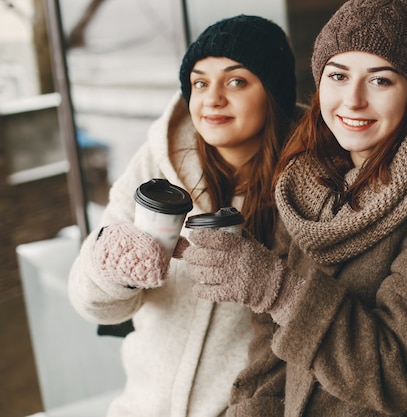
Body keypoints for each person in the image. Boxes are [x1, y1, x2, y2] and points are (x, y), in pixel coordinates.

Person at [180, 0, 407, 415]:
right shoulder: (303, 187)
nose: (353, 100)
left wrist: (278, 289)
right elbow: (271, 357)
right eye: (338, 75)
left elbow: (397, 373)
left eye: (380, 80)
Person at [67, 15, 296, 417]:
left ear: (273, 93)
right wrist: (111, 267)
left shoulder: (304, 186)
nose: (212, 98)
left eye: (236, 81)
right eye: (200, 82)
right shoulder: (158, 162)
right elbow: (92, 304)